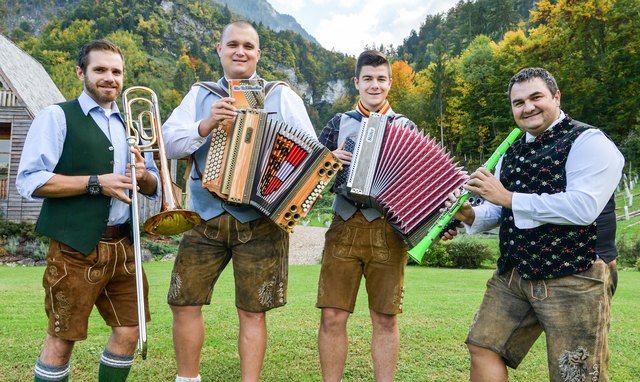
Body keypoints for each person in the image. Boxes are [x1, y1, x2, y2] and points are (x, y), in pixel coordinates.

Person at [445, 67, 623, 382]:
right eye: (518, 102)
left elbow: (583, 208)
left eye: (536, 97)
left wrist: (508, 197)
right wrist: (469, 215)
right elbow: (498, 209)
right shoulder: (509, 151)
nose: (527, 107)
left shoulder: (590, 142)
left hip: (575, 274)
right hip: (515, 273)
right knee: (483, 346)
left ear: (556, 97)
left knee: (575, 374)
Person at [162, 20, 316, 382]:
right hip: (204, 216)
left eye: (248, 46)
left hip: (261, 220)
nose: (240, 51)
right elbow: (167, 142)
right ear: (220, 50)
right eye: (232, 45)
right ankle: (188, 379)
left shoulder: (282, 95)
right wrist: (204, 126)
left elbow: (310, 154)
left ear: (258, 54)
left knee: (252, 311)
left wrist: (282, 188)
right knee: (182, 301)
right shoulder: (199, 94)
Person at [16, 39, 159, 382]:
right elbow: (30, 181)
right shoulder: (57, 117)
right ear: (81, 73)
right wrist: (96, 183)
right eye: (100, 70)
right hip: (73, 248)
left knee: (129, 332)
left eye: (116, 71)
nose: (109, 77)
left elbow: (153, 184)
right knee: (62, 340)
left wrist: (143, 176)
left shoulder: (132, 124)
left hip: (123, 247)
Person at [315, 50, 415, 382]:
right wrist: (328, 162)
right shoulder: (336, 123)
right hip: (343, 224)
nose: (375, 85)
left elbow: (418, 183)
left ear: (389, 83)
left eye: (381, 79)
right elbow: (307, 178)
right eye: (368, 79)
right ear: (356, 82)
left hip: (388, 230)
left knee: (385, 319)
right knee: (332, 316)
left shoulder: (406, 126)